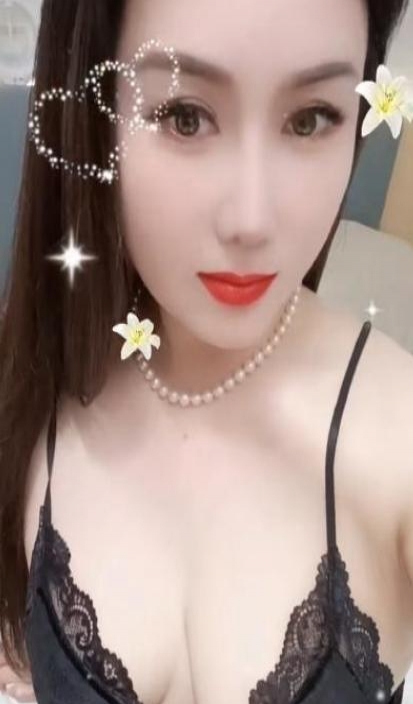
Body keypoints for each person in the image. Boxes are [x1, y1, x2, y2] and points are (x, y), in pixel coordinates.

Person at [0, 0, 413, 702]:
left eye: (310, 119)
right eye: (184, 116)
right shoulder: (36, 376)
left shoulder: (393, 437)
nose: (251, 220)